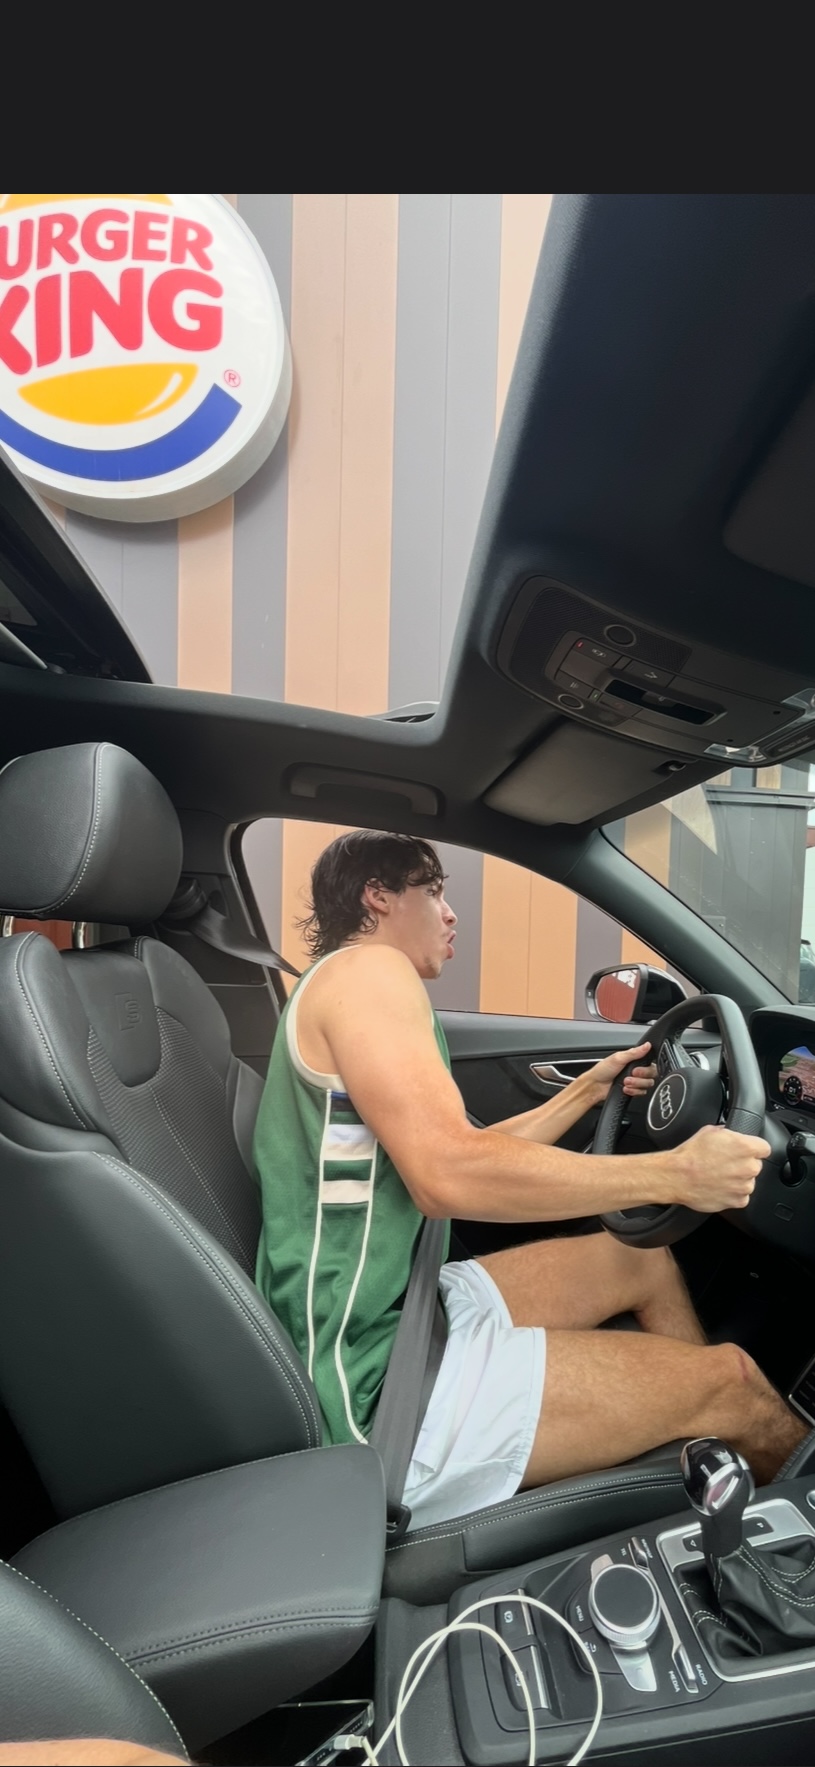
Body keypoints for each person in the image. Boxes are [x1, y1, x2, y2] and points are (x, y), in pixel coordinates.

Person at [254, 832, 805, 1530]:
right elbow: (448, 1175)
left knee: (638, 1257)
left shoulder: (340, 982)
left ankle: (695, 1451)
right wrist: (677, 1172)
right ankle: (727, 1431)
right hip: (372, 1389)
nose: (450, 912)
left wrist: (584, 1093)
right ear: (377, 896)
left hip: (408, 1311)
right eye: (433, 891)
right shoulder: (369, 971)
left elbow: (459, 1151)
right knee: (732, 1380)